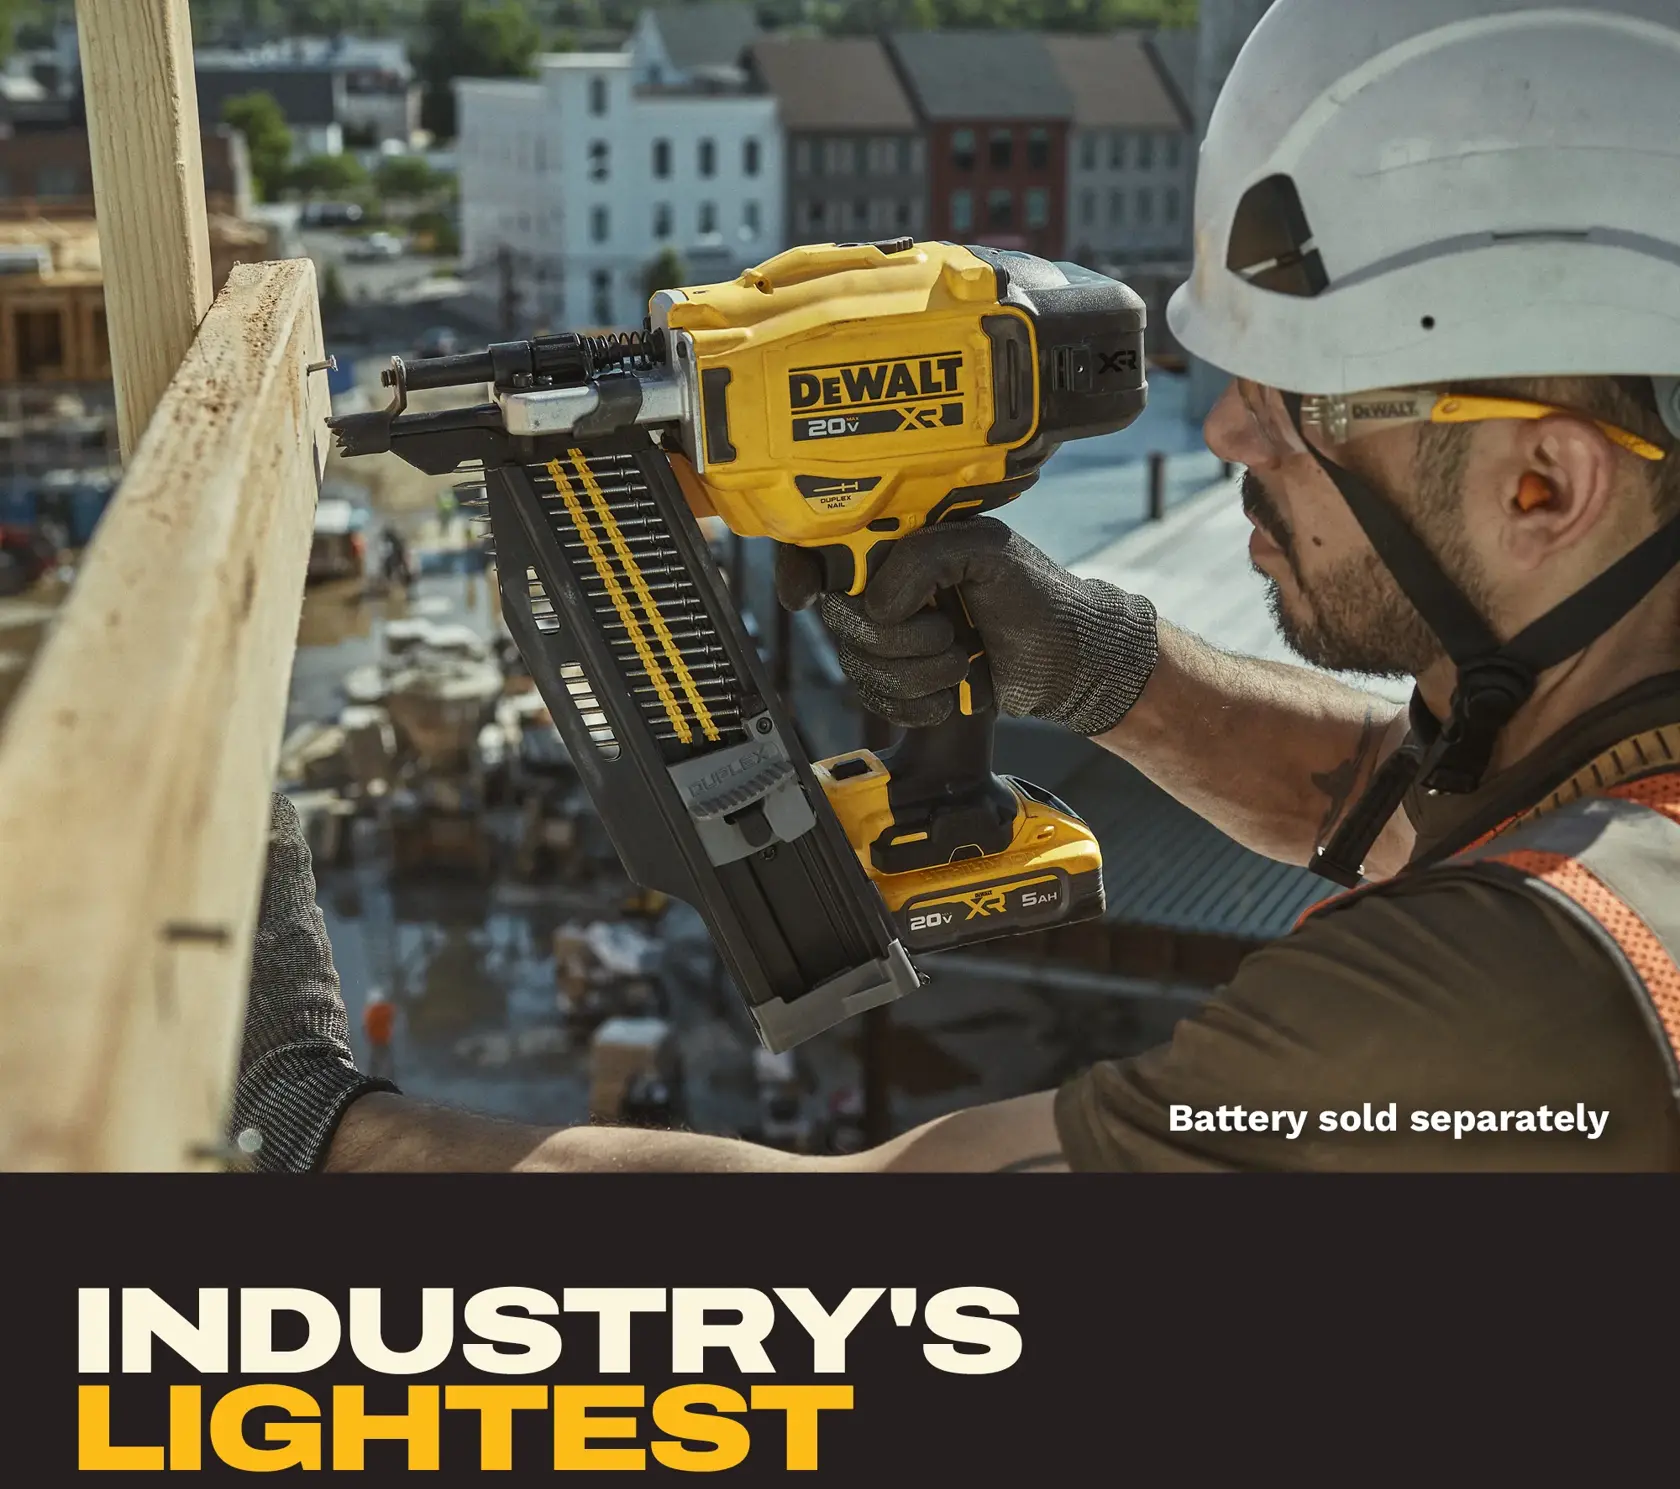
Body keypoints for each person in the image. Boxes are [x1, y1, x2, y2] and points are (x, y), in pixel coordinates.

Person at [230, 0, 1680, 1173]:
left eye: (1305, 405)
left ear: (1542, 486)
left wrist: (322, 1126)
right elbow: (1396, 802)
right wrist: (1107, 667)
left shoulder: (1501, 1003)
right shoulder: (1611, 785)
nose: (1230, 434)